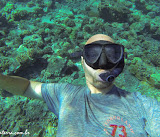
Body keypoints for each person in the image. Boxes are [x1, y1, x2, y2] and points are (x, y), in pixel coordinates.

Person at [0, 34, 159, 137]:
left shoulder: (144, 104)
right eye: (93, 54)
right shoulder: (65, 94)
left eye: (111, 54)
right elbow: (27, 87)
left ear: (120, 62)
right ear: (83, 61)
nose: (102, 62)